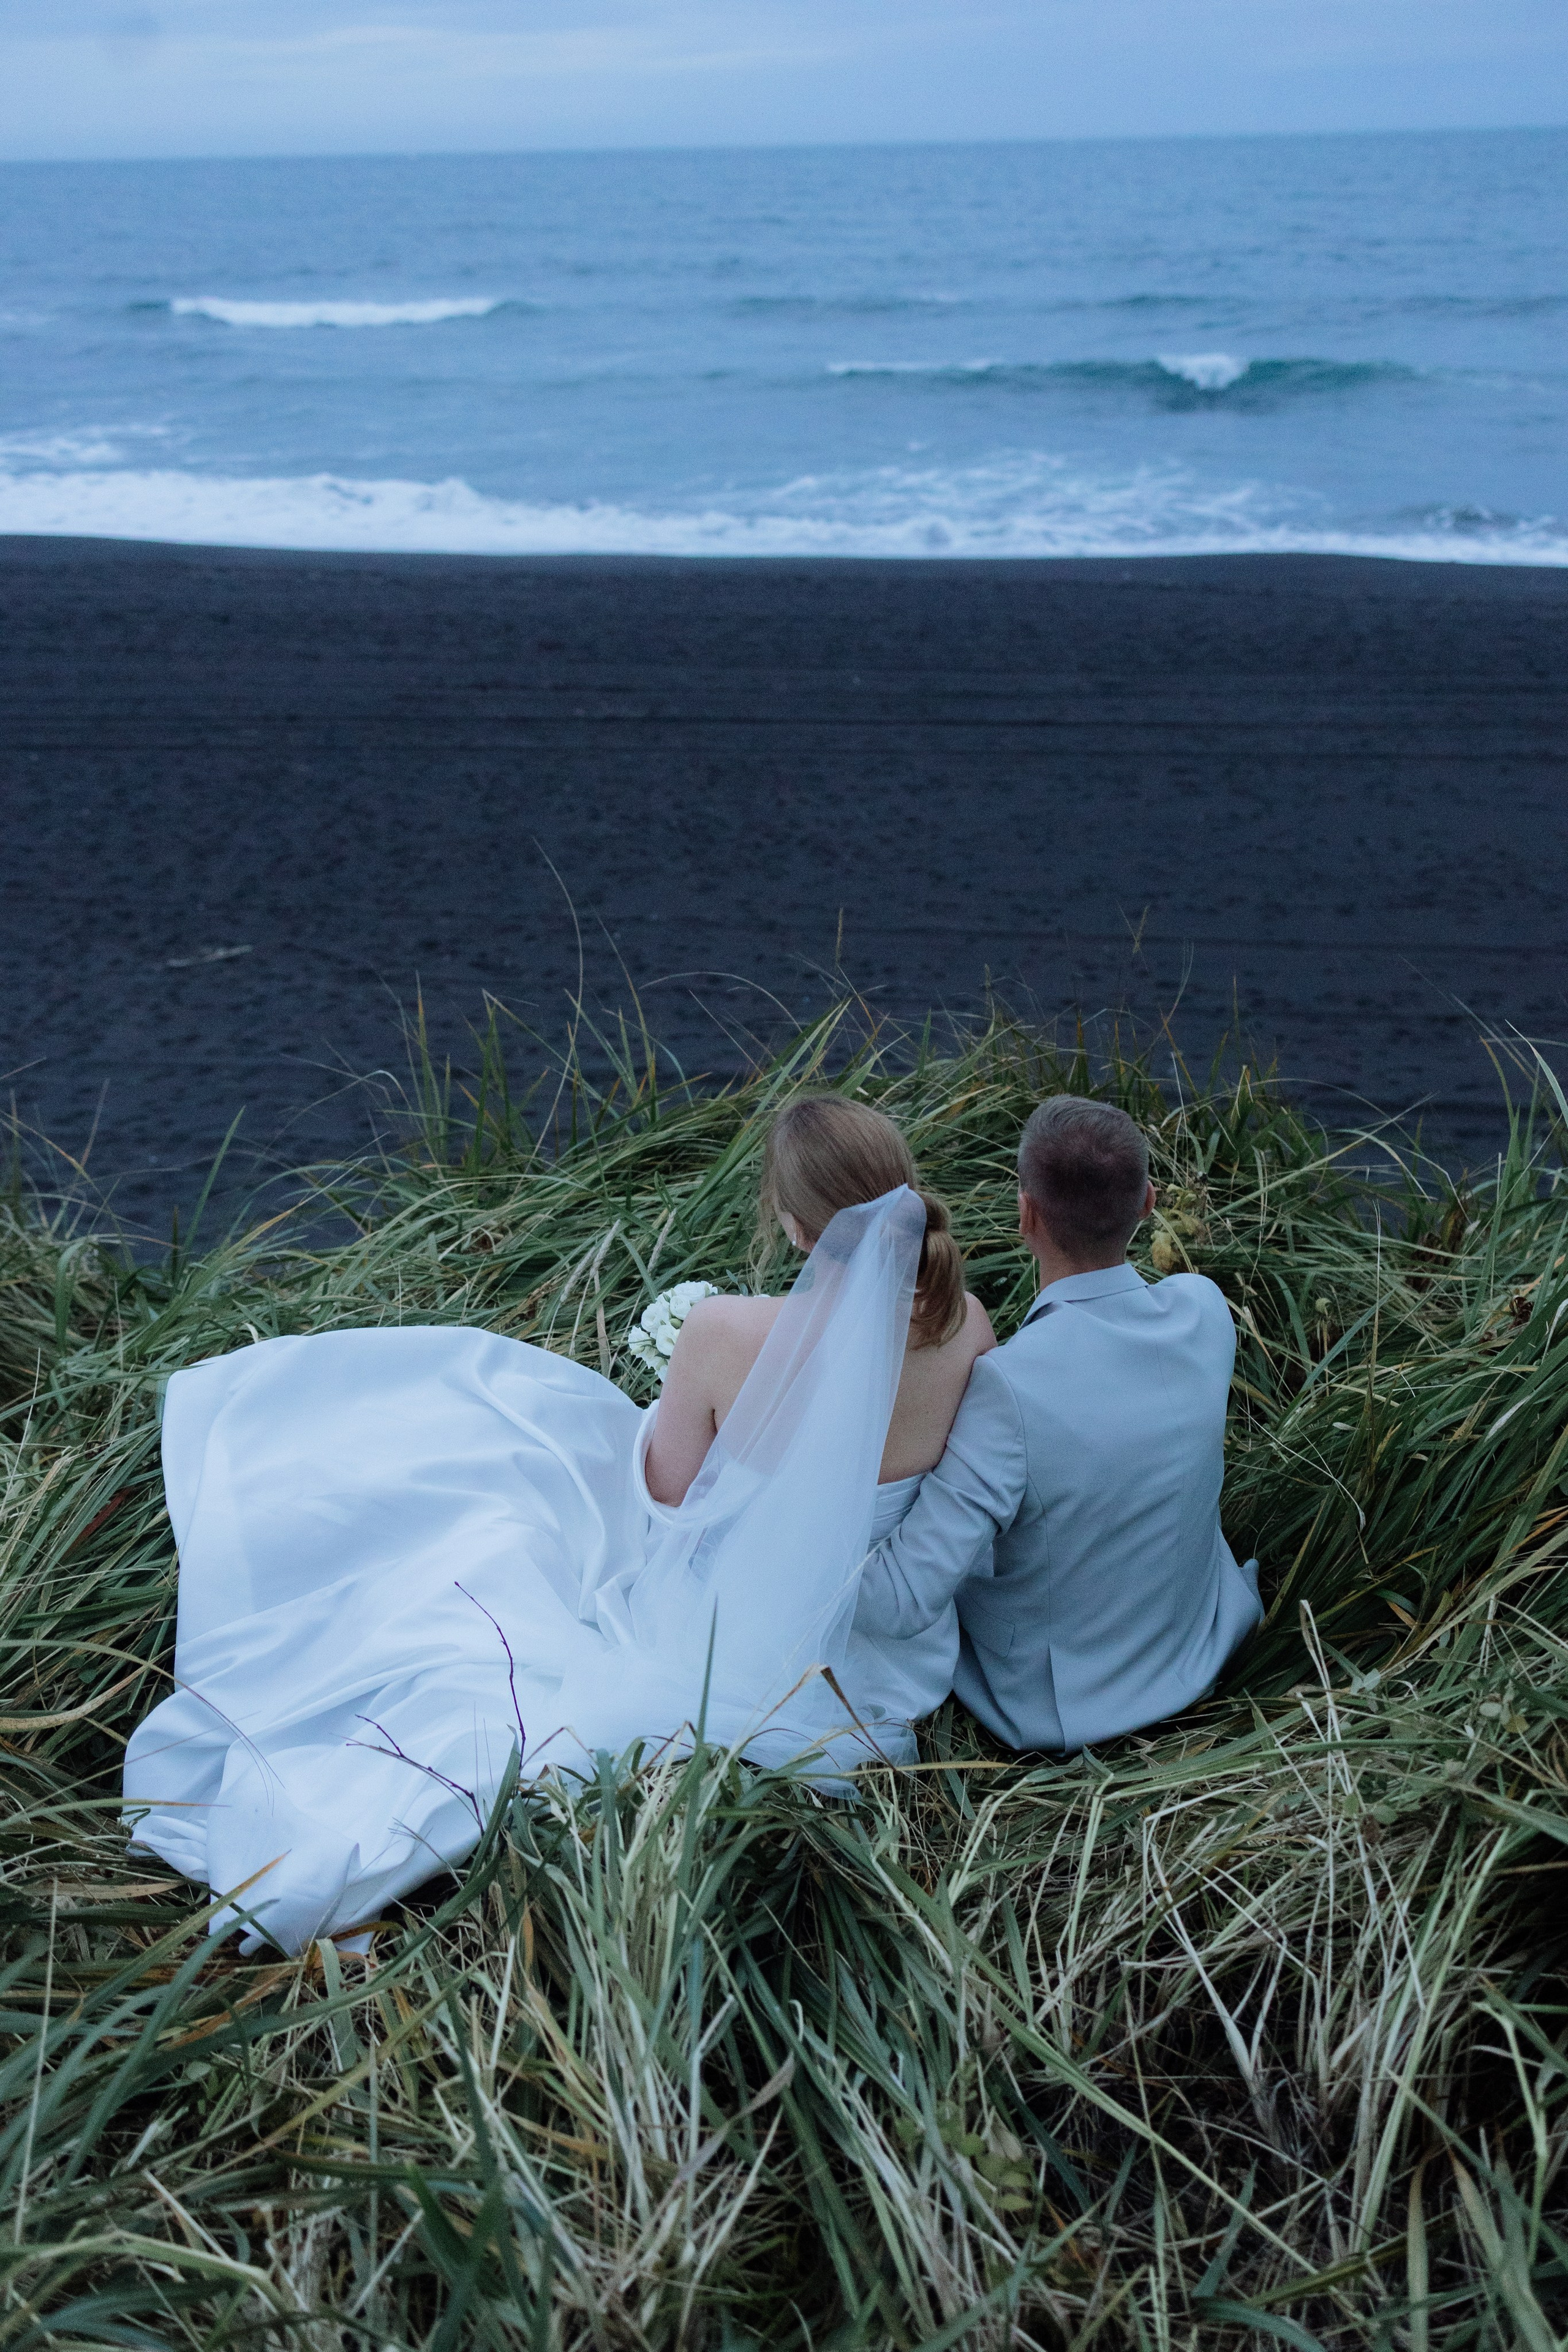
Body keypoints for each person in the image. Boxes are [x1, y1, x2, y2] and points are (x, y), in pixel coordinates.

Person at [123, 1097, 993, 1954]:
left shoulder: (725, 1330)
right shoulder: (969, 1329)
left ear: (799, 1231)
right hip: (882, 1657)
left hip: (742, 1625)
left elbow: (670, 1500)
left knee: (516, 1480)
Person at [853, 1095, 1262, 1753]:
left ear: (1026, 1215)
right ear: (1148, 1202)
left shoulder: (1010, 1387)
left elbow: (902, 1600)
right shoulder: (1204, 1310)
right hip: (1204, 1646)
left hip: (1070, 1707)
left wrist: (778, 1548)